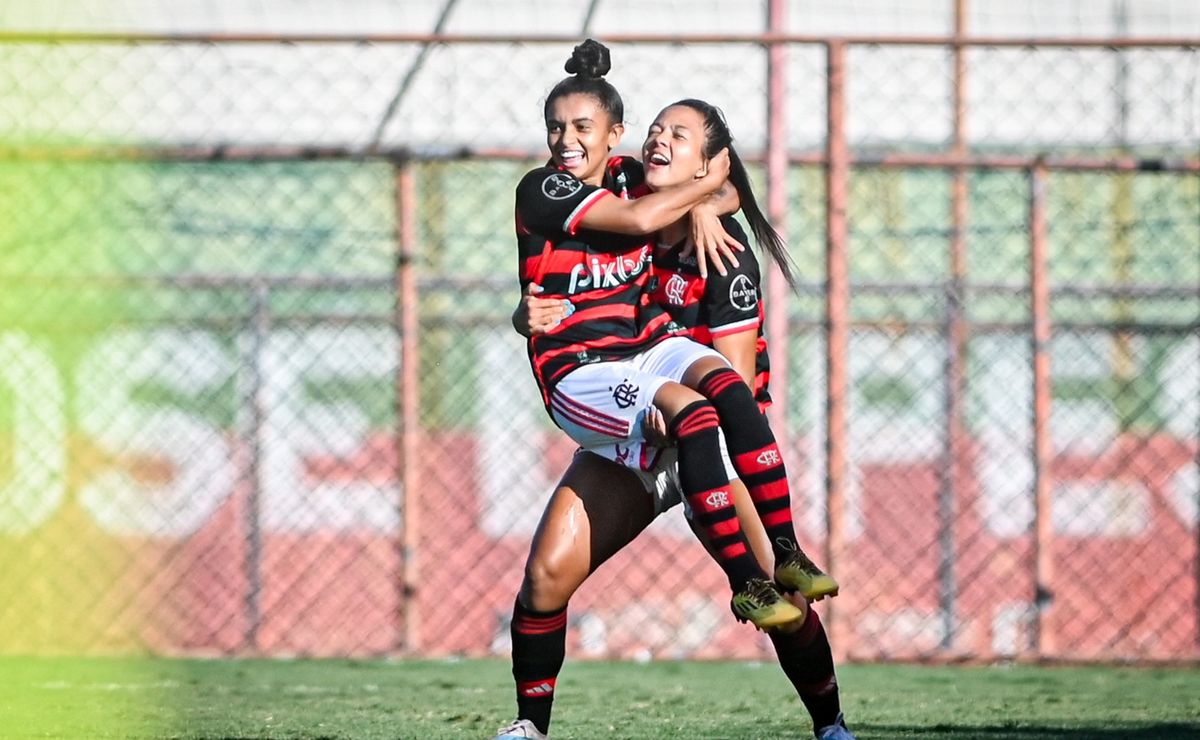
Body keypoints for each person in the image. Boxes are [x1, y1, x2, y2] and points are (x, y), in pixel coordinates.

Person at [494, 41, 852, 740]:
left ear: (707, 163)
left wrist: (713, 202)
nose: (659, 142)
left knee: (783, 599)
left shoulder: (724, 256)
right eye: (656, 130)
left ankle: (832, 726)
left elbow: (734, 377)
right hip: (633, 412)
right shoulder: (628, 201)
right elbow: (600, 249)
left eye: (677, 136)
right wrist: (521, 313)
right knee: (546, 576)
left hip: (708, 442)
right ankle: (529, 727)